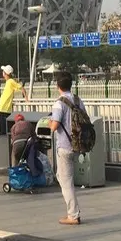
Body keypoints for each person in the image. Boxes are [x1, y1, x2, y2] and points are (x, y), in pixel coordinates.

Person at [47, 72, 87, 225]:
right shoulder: (78, 100)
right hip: (78, 144)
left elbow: (55, 125)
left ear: (58, 86)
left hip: (64, 146)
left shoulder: (59, 103)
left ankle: (73, 215)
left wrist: (50, 122)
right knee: (62, 177)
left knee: (66, 181)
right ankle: (73, 212)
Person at [0, 65, 26, 135]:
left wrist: (26, 98)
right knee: (4, 130)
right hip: (4, 109)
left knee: (3, 131)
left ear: (5, 73)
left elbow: (21, 88)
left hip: (4, 109)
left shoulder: (10, 81)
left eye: (3, 71)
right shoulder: (9, 82)